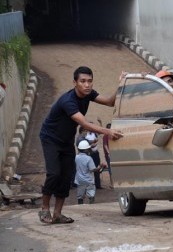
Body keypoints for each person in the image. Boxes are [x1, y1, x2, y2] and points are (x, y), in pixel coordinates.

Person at [38, 66, 124, 224]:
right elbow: (84, 123)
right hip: (50, 138)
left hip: (66, 140)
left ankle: (57, 214)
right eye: (83, 81)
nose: (87, 85)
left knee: (65, 176)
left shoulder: (89, 94)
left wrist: (121, 83)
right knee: (54, 174)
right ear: (75, 83)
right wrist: (107, 131)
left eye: (90, 81)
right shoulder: (68, 101)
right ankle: (44, 209)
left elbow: (111, 102)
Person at [75, 140, 105, 204]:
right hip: (88, 180)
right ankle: (91, 206)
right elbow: (93, 169)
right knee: (91, 194)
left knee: (80, 196)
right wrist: (99, 167)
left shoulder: (76, 157)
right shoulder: (89, 158)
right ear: (86, 150)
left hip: (79, 180)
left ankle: (80, 207)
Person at [85, 122, 102, 189]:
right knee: (89, 169)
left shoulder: (95, 133)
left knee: (97, 167)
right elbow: (86, 144)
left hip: (95, 153)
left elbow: (100, 131)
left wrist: (100, 122)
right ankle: (89, 185)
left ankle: (98, 185)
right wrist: (92, 144)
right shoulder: (86, 135)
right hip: (89, 154)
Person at [102, 123, 112, 187]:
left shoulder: (111, 135)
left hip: (112, 154)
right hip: (109, 155)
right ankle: (112, 184)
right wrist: (108, 153)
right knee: (111, 169)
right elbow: (105, 145)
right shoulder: (106, 136)